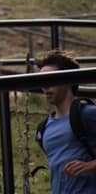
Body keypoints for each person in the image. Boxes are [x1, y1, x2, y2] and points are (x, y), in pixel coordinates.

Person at [37, 50, 96, 192]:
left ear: (68, 80)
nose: (46, 86)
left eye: (50, 79)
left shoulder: (87, 114)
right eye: (41, 81)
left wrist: (90, 165)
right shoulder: (42, 129)